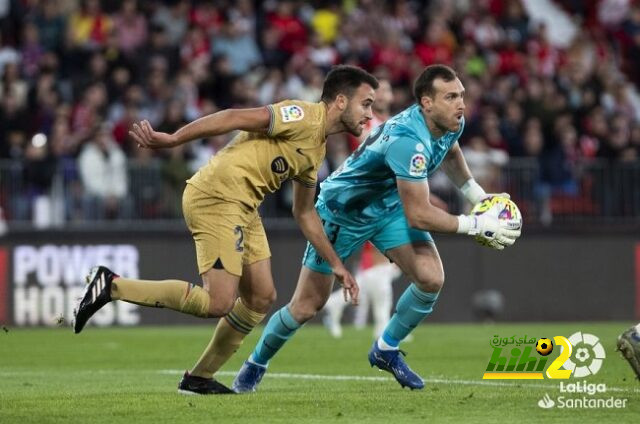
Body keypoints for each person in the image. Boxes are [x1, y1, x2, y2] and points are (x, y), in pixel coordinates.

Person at [72, 65, 379, 394]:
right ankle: (112, 286)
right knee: (219, 301)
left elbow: (304, 213)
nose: (370, 114)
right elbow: (233, 116)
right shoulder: (303, 115)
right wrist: (174, 139)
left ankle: (199, 378)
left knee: (261, 297)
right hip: (217, 195)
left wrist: (336, 265)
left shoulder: (316, 150)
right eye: (366, 104)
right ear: (342, 102)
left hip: (245, 206)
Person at [232, 64, 521, 393]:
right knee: (307, 305)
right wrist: (477, 224)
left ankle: (385, 349)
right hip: (342, 211)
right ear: (427, 103)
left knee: (430, 278)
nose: (461, 104)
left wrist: (477, 195)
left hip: (385, 207)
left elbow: (451, 150)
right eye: (451, 96)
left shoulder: (451, 122)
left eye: (461, 96)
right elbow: (419, 215)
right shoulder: (408, 141)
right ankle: (255, 363)